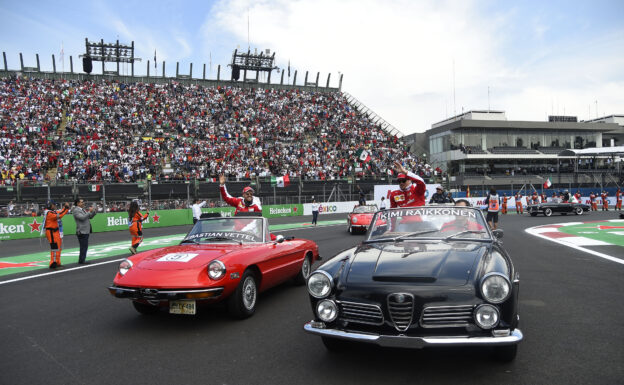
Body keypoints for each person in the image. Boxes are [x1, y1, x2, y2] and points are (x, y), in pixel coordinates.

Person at [42, 201, 70, 268]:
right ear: (50, 205)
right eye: (54, 205)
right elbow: (59, 215)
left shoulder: (51, 211)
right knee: (54, 247)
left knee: (58, 247)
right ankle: (53, 263)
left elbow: (60, 212)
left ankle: (57, 262)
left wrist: (66, 208)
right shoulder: (49, 213)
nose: (55, 206)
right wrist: (65, 208)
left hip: (55, 231)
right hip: (51, 231)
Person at [72, 198, 96, 264]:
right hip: (81, 231)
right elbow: (82, 218)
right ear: (78, 203)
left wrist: (93, 211)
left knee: (84, 246)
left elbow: (90, 217)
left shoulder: (82, 209)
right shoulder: (76, 210)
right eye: (81, 202)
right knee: (83, 246)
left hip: (85, 230)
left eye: (83, 202)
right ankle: (82, 260)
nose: (83, 203)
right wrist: (89, 212)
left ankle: (82, 260)